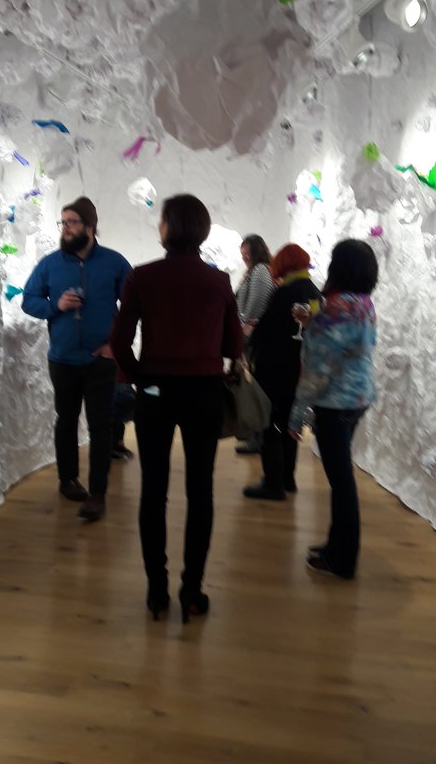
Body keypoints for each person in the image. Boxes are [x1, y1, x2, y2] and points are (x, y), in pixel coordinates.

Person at [110, 194, 244, 623]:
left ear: (166, 227)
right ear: (202, 230)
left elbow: (118, 340)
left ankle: (155, 592)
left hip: (154, 392)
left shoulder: (142, 277)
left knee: (153, 491)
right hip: (204, 391)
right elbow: (233, 346)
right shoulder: (219, 281)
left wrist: (136, 376)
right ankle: (191, 591)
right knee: (200, 492)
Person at [22, 197, 131, 522]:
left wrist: (115, 343)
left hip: (100, 360)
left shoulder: (114, 263)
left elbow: (134, 307)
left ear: (89, 227)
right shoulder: (50, 263)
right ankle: (67, 481)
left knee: (101, 426)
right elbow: (28, 300)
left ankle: (97, 493)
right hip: (63, 359)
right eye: (63, 223)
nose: (65, 229)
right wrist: (55, 305)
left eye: (71, 223)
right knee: (66, 420)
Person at [288, 239, 378, 580]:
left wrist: (297, 415)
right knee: (341, 479)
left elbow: (317, 371)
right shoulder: (362, 303)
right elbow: (346, 343)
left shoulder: (336, 308)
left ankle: (341, 559)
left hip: (334, 402)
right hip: (357, 398)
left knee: (341, 482)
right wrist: (314, 320)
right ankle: (334, 546)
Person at [243, 244, 321, 501]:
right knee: (289, 424)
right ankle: (287, 478)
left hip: (275, 368)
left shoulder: (285, 292)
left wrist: (251, 333)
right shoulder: (315, 293)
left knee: (271, 424)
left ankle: (273, 482)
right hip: (300, 369)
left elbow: (265, 331)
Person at [234, 234, 275, 454]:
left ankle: (258, 438)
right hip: (252, 338)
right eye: (242, 254)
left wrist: (241, 330)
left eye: (247, 253)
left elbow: (255, 307)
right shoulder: (256, 271)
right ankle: (256, 437)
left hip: (254, 338)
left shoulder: (260, 271)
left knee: (255, 388)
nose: (244, 257)